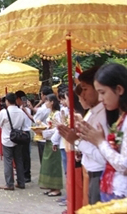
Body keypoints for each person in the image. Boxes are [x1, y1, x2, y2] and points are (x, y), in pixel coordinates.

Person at [76, 63, 127, 202]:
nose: (100, 98)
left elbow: (124, 165)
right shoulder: (122, 118)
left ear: (119, 89)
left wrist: (100, 142)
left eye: (103, 92)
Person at [58, 67, 109, 205]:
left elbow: (105, 157)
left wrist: (78, 142)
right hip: (92, 171)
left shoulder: (104, 116)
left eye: (85, 89)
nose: (83, 95)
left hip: (100, 173)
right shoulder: (93, 113)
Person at [0, 93, 26, 190]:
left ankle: (9, 183)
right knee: (19, 161)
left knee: (8, 161)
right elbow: (24, 126)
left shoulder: (4, 112)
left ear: (7, 101)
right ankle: (21, 182)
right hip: (18, 139)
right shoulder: (21, 112)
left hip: (7, 139)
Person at [36, 94, 63, 197]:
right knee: (48, 164)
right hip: (48, 140)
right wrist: (43, 128)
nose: (45, 103)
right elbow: (50, 126)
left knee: (54, 164)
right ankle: (51, 186)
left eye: (47, 101)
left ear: (52, 102)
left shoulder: (57, 114)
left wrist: (45, 132)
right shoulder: (51, 113)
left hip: (54, 141)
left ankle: (57, 188)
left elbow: (58, 128)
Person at [30, 86, 53, 164]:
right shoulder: (54, 107)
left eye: (41, 95)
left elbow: (35, 119)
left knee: (44, 162)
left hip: (43, 136)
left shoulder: (44, 108)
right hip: (52, 137)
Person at [15, 91, 33, 183]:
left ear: (19, 99)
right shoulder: (25, 109)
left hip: (24, 133)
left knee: (24, 155)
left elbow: (22, 122)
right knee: (24, 155)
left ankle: (26, 174)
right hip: (26, 132)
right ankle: (25, 173)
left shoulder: (23, 109)